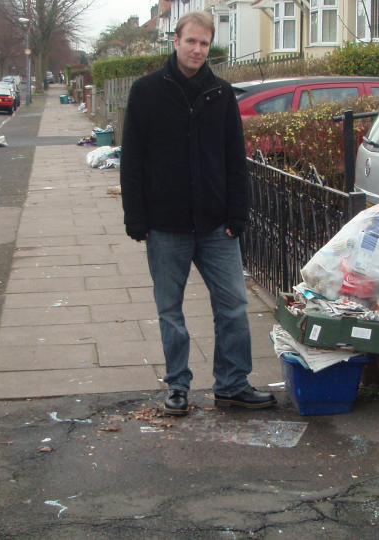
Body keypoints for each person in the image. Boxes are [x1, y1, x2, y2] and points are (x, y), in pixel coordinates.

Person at [120, 10, 276, 416]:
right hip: (164, 225)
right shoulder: (147, 91)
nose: (197, 50)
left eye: (205, 44)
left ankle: (232, 384)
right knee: (170, 310)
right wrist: (135, 218)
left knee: (234, 306)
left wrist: (237, 216)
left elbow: (234, 161)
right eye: (191, 41)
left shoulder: (221, 94)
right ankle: (177, 387)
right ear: (176, 40)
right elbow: (132, 159)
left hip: (216, 226)